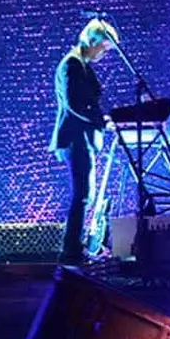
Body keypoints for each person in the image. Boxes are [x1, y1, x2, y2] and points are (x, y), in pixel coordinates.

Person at [50, 19, 118, 265]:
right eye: (104, 47)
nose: (104, 53)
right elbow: (74, 104)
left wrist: (104, 119)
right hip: (75, 139)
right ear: (93, 41)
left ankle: (74, 248)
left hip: (83, 138)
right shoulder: (71, 65)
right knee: (82, 195)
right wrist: (101, 120)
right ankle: (71, 251)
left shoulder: (82, 65)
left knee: (84, 195)